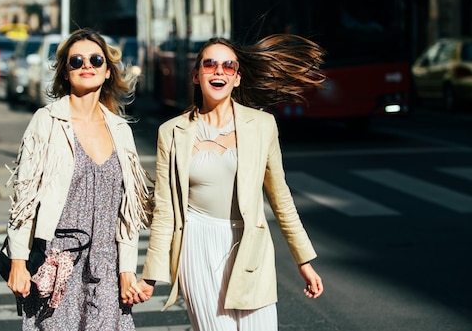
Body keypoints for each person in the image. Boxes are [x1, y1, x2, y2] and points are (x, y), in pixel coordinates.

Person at [129, 34, 326, 331]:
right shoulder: (172, 132)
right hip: (195, 247)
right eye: (210, 64)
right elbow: (166, 211)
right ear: (196, 76)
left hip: (249, 248)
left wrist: (304, 261)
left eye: (228, 66)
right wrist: (150, 275)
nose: (219, 71)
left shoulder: (262, 126)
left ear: (237, 78)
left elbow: (281, 199)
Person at [4, 28, 152, 330]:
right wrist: (18, 261)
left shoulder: (120, 130)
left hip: (107, 266)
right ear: (65, 73)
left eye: (96, 59)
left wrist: (127, 270)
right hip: (57, 262)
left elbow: (128, 211)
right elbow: (25, 199)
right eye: (77, 61)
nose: (87, 65)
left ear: (108, 71)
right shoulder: (47, 121)